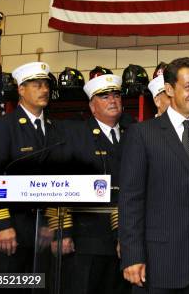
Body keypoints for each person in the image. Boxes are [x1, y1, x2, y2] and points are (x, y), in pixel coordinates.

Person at [119, 57, 189, 293]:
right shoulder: (142, 134)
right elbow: (131, 200)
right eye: (188, 86)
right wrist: (132, 255)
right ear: (169, 89)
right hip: (157, 264)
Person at [50, 71, 132, 294]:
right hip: (86, 239)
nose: (113, 100)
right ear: (92, 107)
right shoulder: (76, 134)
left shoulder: (133, 134)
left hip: (125, 238)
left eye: (116, 95)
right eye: (105, 97)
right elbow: (61, 182)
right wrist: (61, 231)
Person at [0, 61, 66, 274]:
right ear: (21, 89)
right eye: (37, 85)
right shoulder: (4, 125)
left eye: (46, 85)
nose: (45, 90)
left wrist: (52, 225)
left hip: (40, 234)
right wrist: (2, 225)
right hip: (10, 232)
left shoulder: (54, 131)